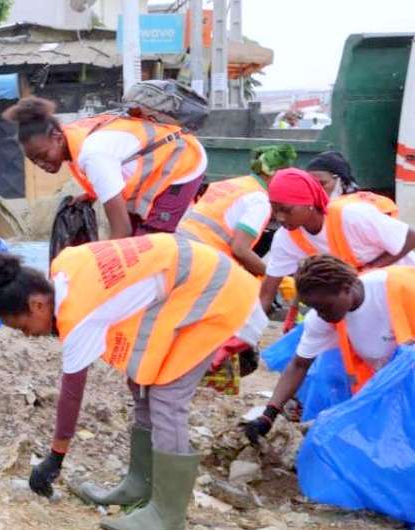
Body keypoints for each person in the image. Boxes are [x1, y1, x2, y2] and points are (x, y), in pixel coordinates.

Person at [0, 237, 266, 530]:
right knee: (140, 379)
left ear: (37, 304)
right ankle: (140, 484)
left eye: (23, 327)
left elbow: (71, 395)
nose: (29, 335)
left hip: (218, 295)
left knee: (167, 396)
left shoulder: (78, 313)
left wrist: (55, 458)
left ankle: (167, 516)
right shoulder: (64, 268)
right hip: (186, 283)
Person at [244, 255, 415, 444]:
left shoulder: (401, 287)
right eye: (313, 308)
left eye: (325, 307)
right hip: (395, 393)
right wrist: (268, 416)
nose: (321, 315)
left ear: (346, 288)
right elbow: (299, 365)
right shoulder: (324, 318)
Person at [2, 95, 207, 239]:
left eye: (43, 156)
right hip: (159, 163)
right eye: (34, 161)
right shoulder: (72, 135)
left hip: (182, 163)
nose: (41, 165)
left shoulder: (92, 154)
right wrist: (91, 194)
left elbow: (121, 229)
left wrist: (97, 260)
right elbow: (112, 165)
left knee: (151, 244)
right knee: (136, 242)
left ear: (57, 138)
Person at [258, 168, 415, 313]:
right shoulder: (285, 238)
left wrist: (369, 270)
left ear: (309, 202)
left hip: (403, 286)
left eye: (286, 210)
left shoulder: (352, 216)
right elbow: (267, 293)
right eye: (274, 209)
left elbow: (411, 237)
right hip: (362, 297)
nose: (279, 217)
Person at [177, 145, 297, 277]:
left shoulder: (231, 183)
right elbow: (240, 250)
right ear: (276, 173)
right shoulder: (260, 200)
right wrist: (275, 278)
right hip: (201, 260)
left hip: (177, 246)